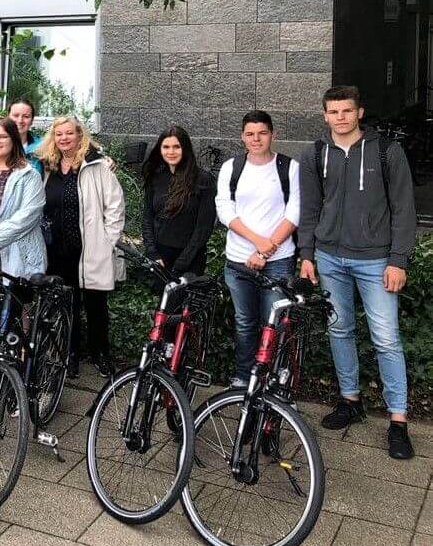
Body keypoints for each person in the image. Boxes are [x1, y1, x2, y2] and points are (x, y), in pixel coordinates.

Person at [299, 86, 417, 460]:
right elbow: (310, 209)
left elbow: (404, 209)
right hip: (330, 257)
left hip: (375, 261)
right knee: (340, 329)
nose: (340, 117)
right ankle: (350, 400)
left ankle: (398, 420)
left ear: (359, 112)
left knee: (386, 338)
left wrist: (398, 259)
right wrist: (307, 254)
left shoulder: (387, 152)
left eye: (347, 111)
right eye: (333, 112)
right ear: (325, 115)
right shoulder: (314, 153)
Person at [214, 111, 300, 390]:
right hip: (238, 260)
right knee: (244, 322)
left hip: (278, 260)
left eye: (262, 133)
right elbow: (225, 209)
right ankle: (243, 377)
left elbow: (295, 212)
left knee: (273, 324)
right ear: (242, 137)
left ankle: (272, 381)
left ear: (272, 134)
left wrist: (266, 250)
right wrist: (256, 242)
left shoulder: (290, 168)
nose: (256, 139)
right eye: (250, 134)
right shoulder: (231, 167)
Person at [38, 115, 126, 378]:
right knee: (67, 305)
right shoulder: (48, 167)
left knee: (96, 306)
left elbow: (115, 207)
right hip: (57, 251)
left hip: (89, 249)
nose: (64, 138)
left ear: (80, 136)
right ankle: (71, 353)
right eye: (59, 134)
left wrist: (107, 241)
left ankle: (101, 354)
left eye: (69, 133)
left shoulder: (96, 166)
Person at [141, 125, 216, 277]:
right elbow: (147, 216)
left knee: (186, 300)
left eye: (176, 147)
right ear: (160, 149)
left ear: (185, 148)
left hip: (191, 260)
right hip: (160, 259)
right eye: (166, 147)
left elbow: (204, 227)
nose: (171, 152)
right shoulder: (155, 177)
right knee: (163, 301)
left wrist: (183, 262)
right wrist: (152, 252)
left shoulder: (203, 180)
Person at [8, 97, 44, 171]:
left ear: (32, 121)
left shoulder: (43, 147)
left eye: (26, 116)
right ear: (7, 117)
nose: (20, 120)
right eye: (16, 115)